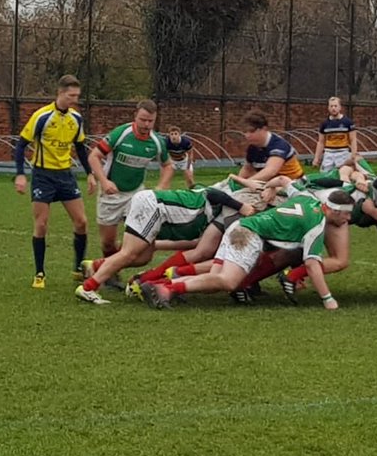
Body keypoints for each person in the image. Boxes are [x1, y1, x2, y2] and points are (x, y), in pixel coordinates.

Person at [140, 189, 355, 311]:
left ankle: (162, 286)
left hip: (240, 226)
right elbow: (311, 264)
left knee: (215, 281)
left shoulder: (307, 198)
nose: (348, 219)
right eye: (345, 215)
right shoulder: (317, 224)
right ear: (333, 210)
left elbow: (287, 184)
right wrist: (328, 299)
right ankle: (169, 287)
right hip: (248, 235)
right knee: (229, 282)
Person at [74, 186, 256, 304]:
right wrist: (242, 206)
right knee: (129, 253)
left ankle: (95, 267)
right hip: (153, 205)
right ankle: (89, 287)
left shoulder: (208, 221)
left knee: (144, 257)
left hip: (154, 209)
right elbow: (214, 193)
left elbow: (195, 245)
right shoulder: (213, 199)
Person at [14, 74, 92, 289]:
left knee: (82, 222)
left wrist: (91, 174)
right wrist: (20, 174)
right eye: (70, 96)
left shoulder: (76, 119)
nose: (74, 100)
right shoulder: (42, 116)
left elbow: (81, 148)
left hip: (65, 175)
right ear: (60, 93)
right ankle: (39, 273)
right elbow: (21, 145)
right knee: (41, 224)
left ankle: (77, 267)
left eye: (77, 96)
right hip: (43, 176)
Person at [86, 100, 173, 267]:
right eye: (143, 119)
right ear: (135, 116)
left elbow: (168, 165)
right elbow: (94, 156)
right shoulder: (121, 134)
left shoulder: (156, 142)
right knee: (108, 243)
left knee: (142, 247)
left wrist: (162, 186)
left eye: (150, 121)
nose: (146, 124)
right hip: (111, 194)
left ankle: (105, 268)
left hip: (136, 195)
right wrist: (104, 182)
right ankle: (108, 267)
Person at [240, 111, 305, 182]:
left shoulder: (279, 145)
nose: (247, 135)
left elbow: (271, 171)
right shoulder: (252, 148)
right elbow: (248, 169)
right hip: (271, 184)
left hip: (293, 183)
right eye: (245, 132)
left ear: (264, 129)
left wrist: (245, 183)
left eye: (252, 131)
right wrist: (235, 182)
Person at [312, 96, 358, 174]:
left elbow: (353, 140)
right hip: (328, 154)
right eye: (331, 106)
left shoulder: (348, 122)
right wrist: (316, 158)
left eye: (336, 106)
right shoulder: (324, 124)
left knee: (342, 174)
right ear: (328, 108)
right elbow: (321, 142)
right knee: (325, 176)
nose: (333, 108)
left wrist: (354, 155)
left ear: (340, 107)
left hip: (342, 153)